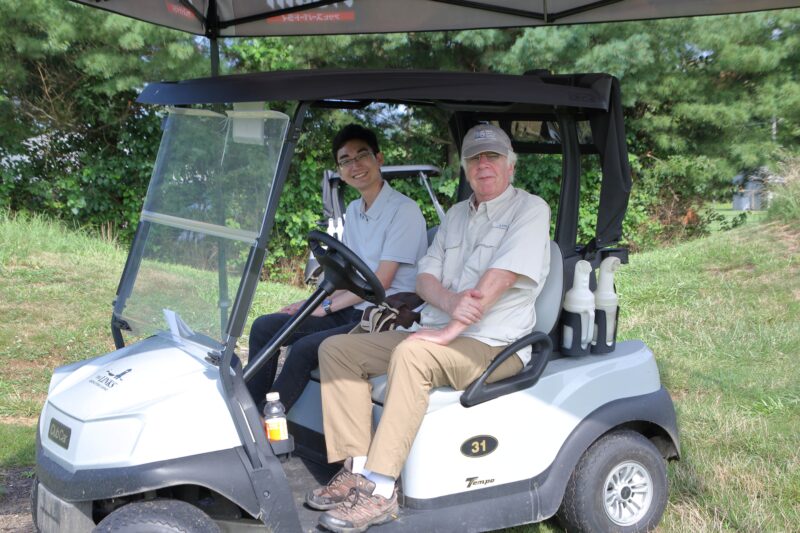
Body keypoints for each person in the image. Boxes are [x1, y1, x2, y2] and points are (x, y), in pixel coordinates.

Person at [309, 124, 551, 533]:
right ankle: (359, 469)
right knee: (337, 350)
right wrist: (449, 306)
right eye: (474, 159)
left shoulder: (530, 210)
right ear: (465, 168)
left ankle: (381, 491)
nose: (483, 165)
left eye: (493, 157)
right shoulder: (456, 216)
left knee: (413, 354)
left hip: (493, 345)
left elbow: (500, 279)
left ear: (511, 165)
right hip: (437, 334)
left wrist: (447, 331)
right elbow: (424, 279)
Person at [246, 124, 428, 412]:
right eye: (346, 161)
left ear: (378, 159)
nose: (355, 166)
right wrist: (311, 303)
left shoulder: (404, 210)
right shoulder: (355, 210)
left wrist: (325, 307)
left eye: (362, 156)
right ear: (340, 171)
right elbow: (347, 274)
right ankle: (248, 409)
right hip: (353, 308)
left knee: (305, 348)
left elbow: (381, 281)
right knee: (264, 327)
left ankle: (266, 419)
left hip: (383, 315)